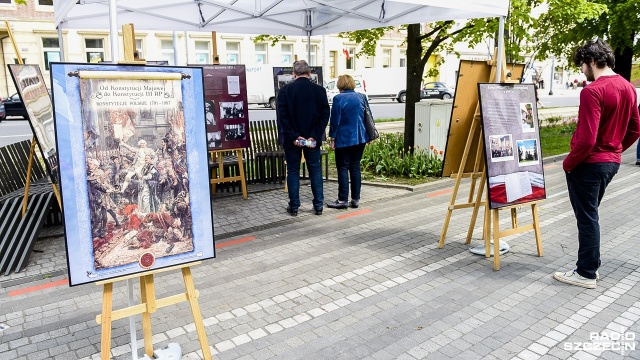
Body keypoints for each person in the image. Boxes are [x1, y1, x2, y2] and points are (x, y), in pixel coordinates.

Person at [553, 38, 640, 289]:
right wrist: (615, 150)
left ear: (592, 61)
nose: (581, 71)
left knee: (587, 218)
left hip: (589, 164)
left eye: (581, 65)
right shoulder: (627, 87)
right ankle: (590, 266)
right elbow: (636, 128)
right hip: (609, 163)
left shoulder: (592, 91)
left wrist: (568, 163)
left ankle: (586, 273)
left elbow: (587, 139)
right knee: (591, 215)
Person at [277, 60, 330, 216]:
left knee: (293, 171)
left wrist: (294, 136)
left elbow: (283, 117)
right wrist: (314, 135)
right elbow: (325, 114)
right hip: (313, 140)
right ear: (309, 73)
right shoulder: (319, 91)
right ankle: (318, 206)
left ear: (294, 74)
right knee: (315, 171)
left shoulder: (285, 91)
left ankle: (294, 207)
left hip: (291, 140)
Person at [326, 74, 370, 209]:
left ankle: (342, 200)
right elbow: (368, 117)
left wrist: (332, 139)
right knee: (355, 167)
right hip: (360, 138)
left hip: (344, 139)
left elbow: (335, 121)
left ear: (340, 85)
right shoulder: (362, 97)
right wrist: (369, 135)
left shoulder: (338, 99)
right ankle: (355, 199)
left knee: (343, 168)